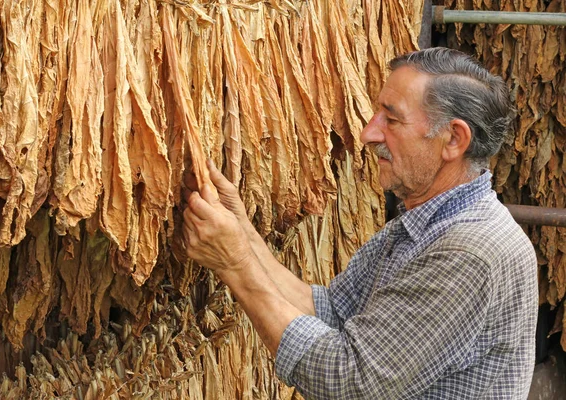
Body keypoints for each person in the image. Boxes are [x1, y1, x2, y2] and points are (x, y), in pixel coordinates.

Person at [182, 47, 538, 399]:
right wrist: (243, 231)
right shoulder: (425, 224)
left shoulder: (467, 253)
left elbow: (351, 381)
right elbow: (335, 313)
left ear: (454, 139)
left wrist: (236, 266)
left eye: (392, 120)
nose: (369, 134)